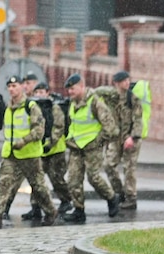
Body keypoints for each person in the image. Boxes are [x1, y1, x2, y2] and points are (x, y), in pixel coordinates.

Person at [0, 76, 56, 228]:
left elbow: (39, 130)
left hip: (29, 154)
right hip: (11, 154)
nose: (12, 89)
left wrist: (24, 141)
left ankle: (51, 211)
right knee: (4, 182)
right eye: (9, 86)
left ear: (22, 87)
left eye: (14, 86)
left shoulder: (30, 106)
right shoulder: (8, 108)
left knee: (38, 186)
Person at [61, 73, 120, 224]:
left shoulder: (95, 102)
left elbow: (110, 127)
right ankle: (79, 210)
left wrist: (99, 141)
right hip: (76, 147)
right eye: (69, 90)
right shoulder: (72, 104)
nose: (70, 92)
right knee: (73, 180)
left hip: (92, 148)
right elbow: (72, 124)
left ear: (82, 86)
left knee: (93, 178)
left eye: (73, 89)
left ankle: (112, 198)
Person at [104, 71, 144, 210]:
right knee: (109, 165)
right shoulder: (111, 97)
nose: (127, 83)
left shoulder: (133, 99)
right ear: (116, 83)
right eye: (123, 81)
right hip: (115, 137)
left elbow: (138, 120)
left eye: (128, 80)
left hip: (130, 138)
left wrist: (132, 137)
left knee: (129, 168)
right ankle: (118, 192)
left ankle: (131, 197)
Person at [33, 82, 72, 214]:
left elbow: (59, 127)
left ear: (47, 93)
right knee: (37, 179)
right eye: (37, 92)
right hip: (40, 150)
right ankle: (36, 206)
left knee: (57, 178)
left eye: (42, 92)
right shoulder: (34, 108)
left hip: (56, 150)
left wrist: (50, 143)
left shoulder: (54, 107)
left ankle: (66, 201)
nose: (39, 95)